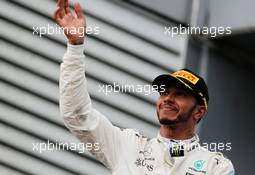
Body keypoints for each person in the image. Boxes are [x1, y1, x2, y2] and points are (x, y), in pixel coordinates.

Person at [54, 0, 235, 174]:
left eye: (180, 94)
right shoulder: (128, 146)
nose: (168, 99)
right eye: (164, 92)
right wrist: (75, 48)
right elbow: (77, 115)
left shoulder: (215, 167)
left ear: (199, 112)